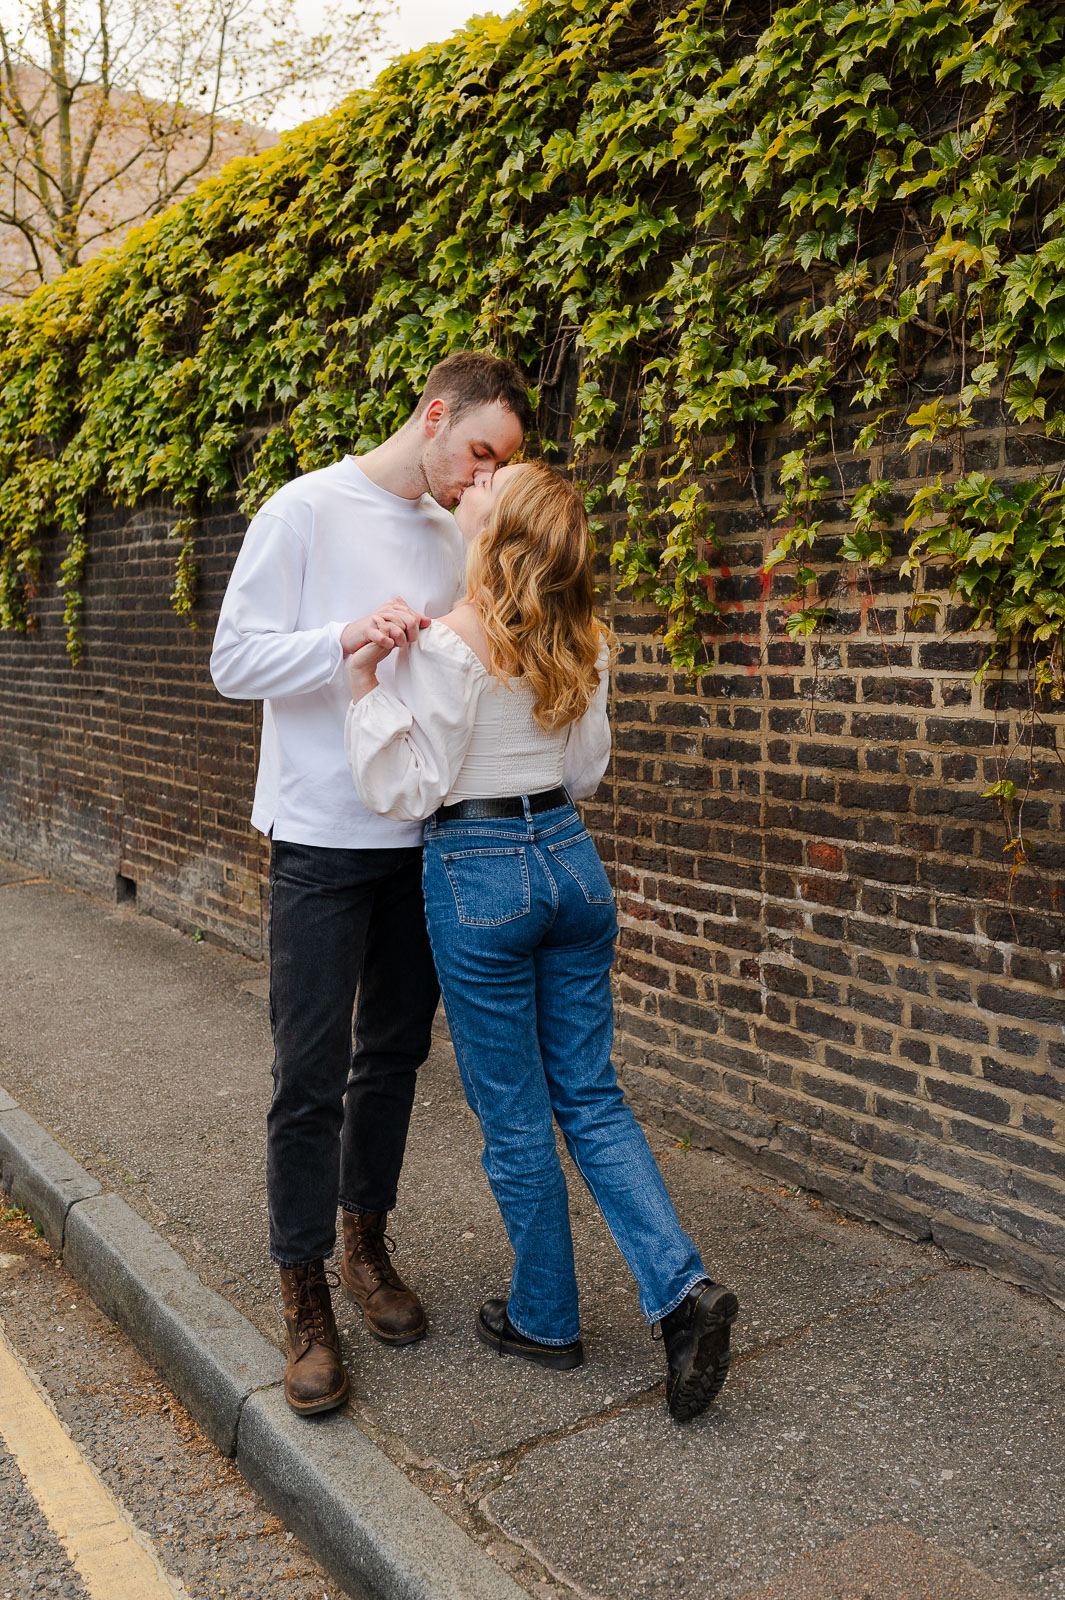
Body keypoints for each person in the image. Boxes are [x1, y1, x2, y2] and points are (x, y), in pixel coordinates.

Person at [344, 459, 739, 1422]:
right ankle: (681, 1295)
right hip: (571, 859)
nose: (471, 483)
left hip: (478, 868)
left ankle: (546, 1320)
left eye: (489, 481)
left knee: (516, 1116)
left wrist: (364, 683)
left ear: (498, 524)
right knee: (591, 1098)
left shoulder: (445, 644)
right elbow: (588, 768)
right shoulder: (586, 639)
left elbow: (408, 787)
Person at [210, 352, 532, 1415]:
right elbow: (232, 659)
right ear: (435, 416)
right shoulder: (303, 511)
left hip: (425, 844)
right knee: (307, 1074)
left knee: (391, 1055)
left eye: (502, 463)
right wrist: (344, 638)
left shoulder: (456, 536)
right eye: (480, 450)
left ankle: (365, 1244)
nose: (482, 477)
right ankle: (303, 1298)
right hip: (317, 838)